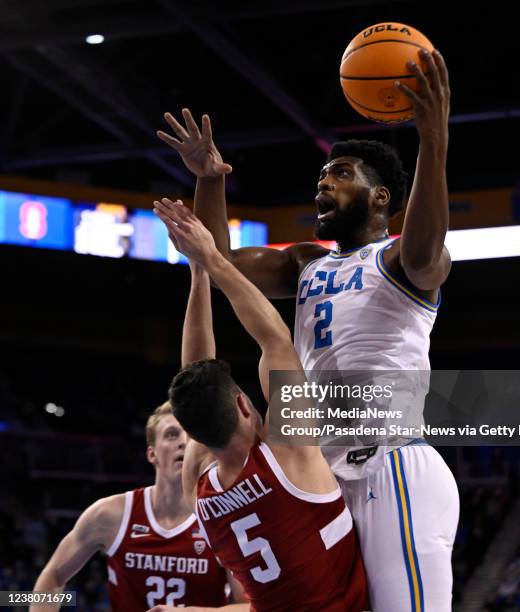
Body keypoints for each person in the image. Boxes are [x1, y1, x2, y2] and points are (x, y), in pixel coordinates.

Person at [157, 49, 459, 611]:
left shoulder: (401, 262)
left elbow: (425, 246)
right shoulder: (304, 264)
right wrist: (210, 181)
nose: (323, 183)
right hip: (324, 474)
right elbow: (215, 261)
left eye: (340, 174)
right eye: (321, 174)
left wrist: (432, 140)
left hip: (390, 463)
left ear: (380, 197)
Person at [152, 198, 369, 611]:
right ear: (244, 406)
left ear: (193, 433)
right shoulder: (291, 454)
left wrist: (199, 270)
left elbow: (196, 372)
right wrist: (210, 261)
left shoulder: (198, 484)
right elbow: (274, 338)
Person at [31, 402, 247, 612]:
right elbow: (53, 577)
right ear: (151, 454)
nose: (184, 442)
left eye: (191, 436)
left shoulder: (223, 523)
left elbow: (253, 607)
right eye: (172, 434)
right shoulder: (110, 515)